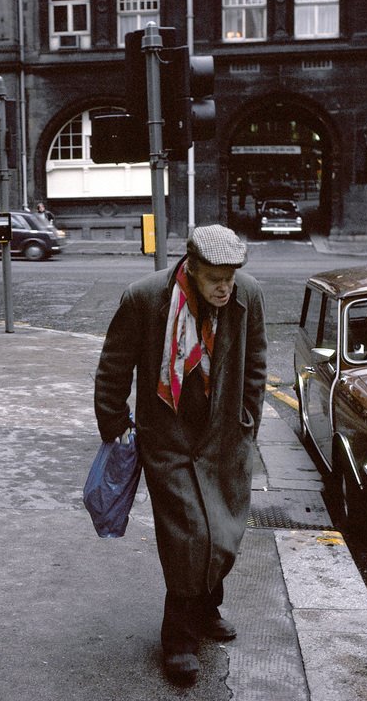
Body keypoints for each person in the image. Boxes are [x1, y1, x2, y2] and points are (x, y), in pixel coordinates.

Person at [93, 224, 266, 685]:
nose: (225, 287)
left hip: (225, 438)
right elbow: (114, 367)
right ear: (190, 267)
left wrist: (248, 423)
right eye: (215, 278)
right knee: (188, 538)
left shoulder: (247, 294)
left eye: (230, 276)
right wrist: (116, 429)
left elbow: (256, 366)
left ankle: (207, 609)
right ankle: (179, 641)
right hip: (167, 439)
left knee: (223, 534)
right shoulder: (145, 298)